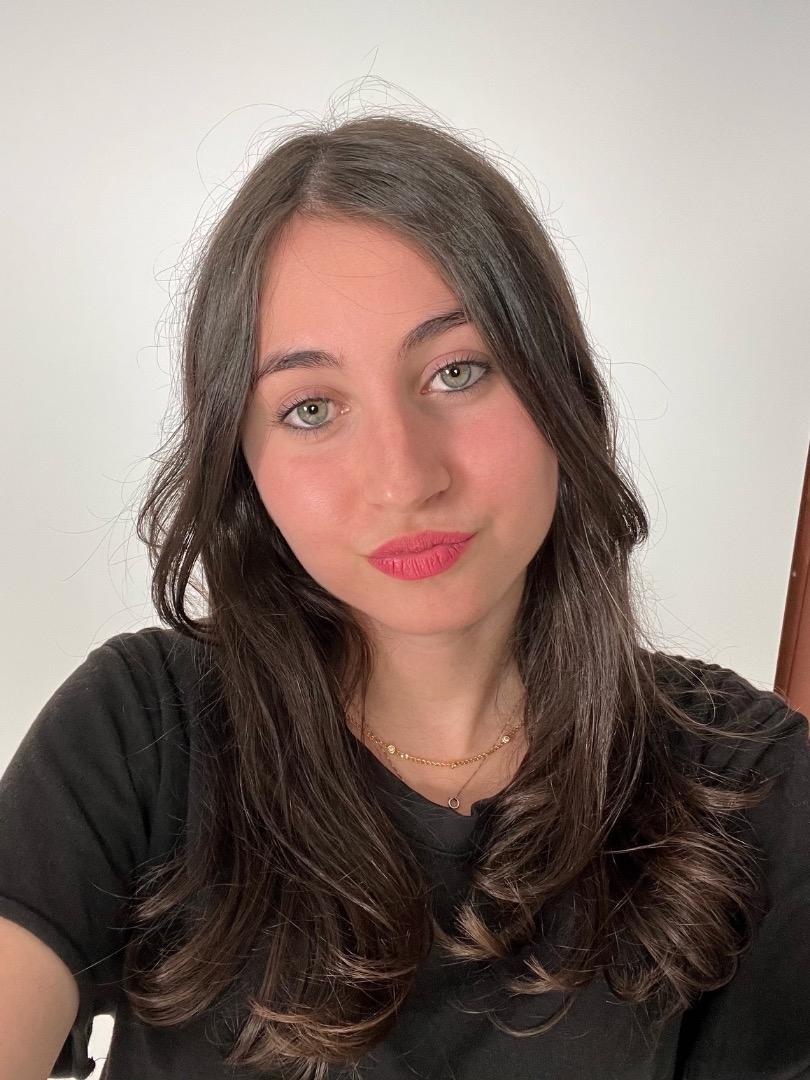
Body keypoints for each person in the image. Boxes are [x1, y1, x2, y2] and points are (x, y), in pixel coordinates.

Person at [0, 111, 808, 1080]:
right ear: (243, 463)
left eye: (458, 372)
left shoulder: (750, 780)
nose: (404, 478)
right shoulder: (141, 728)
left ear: (557, 389)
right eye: (310, 408)